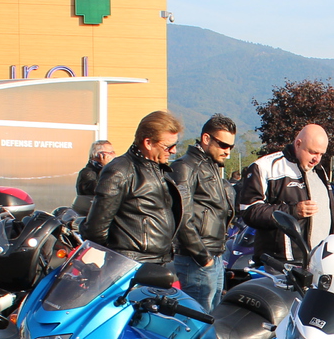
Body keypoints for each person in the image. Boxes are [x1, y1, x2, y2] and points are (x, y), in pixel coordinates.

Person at [85, 111, 185, 266]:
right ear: (148, 143)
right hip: (131, 265)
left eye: (175, 145)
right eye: (168, 146)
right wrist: (118, 255)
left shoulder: (157, 168)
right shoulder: (120, 170)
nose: (173, 151)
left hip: (159, 262)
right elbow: (96, 228)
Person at [238, 122, 334, 266]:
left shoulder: (319, 171)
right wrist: (292, 211)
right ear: (298, 144)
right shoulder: (266, 167)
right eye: (313, 152)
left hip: (317, 260)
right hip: (281, 263)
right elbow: (249, 211)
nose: (317, 159)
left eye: (321, 154)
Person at [169, 114, 239, 309]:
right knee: (198, 319)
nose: (227, 152)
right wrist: (203, 257)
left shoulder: (210, 166)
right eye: (223, 145)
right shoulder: (185, 166)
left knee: (210, 316)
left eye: (231, 147)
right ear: (206, 139)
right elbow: (182, 218)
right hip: (196, 259)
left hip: (213, 255)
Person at [73, 139, 116, 215]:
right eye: (110, 153)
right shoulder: (88, 173)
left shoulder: (111, 170)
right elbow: (101, 190)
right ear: (99, 155)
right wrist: (106, 168)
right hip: (94, 214)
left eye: (113, 152)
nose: (114, 155)